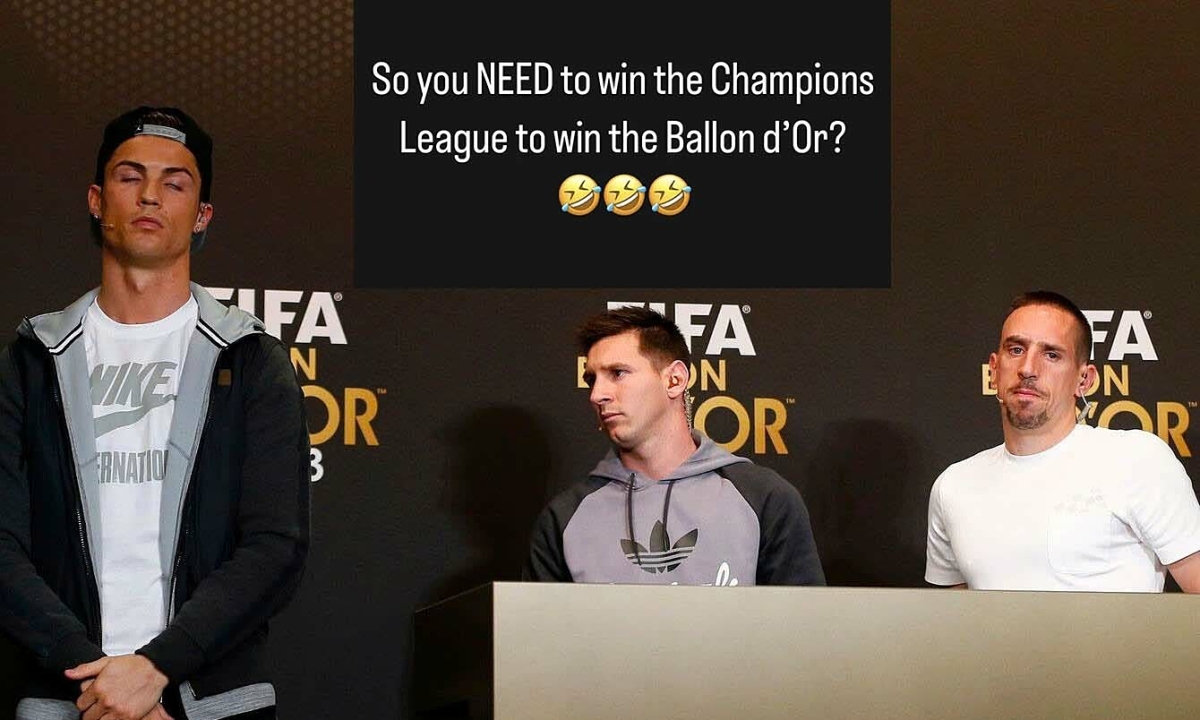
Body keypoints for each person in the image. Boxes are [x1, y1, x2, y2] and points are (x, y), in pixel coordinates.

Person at [0, 106, 311, 719]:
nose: (150, 195)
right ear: (96, 200)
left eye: (175, 182)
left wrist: (158, 667)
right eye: (129, 176)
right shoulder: (29, 362)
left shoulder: (252, 360)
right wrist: (99, 683)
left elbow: (276, 545)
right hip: (65, 697)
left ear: (201, 215)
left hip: (213, 703)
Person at [522, 306, 825, 586]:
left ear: (675, 380)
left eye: (617, 373)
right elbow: (540, 628)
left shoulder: (765, 499)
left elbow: (803, 624)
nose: (597, 394)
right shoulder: (564, 518)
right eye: (592, 380)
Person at [925, 290, 1200, 592]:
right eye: (1016, 349)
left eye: (1051, 355)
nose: (1028, 369)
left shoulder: (1137, 460)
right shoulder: (953, 486)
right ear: (994, 369)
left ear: (1084, 380)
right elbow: (955, 615)